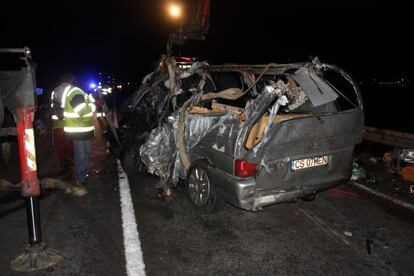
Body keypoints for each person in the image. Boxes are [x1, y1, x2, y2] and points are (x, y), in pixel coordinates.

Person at [53, 76, 96, 196]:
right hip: (78, 129)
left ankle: (84, 173)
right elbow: (81, 110)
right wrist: (92, 106)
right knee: (81, 153)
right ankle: (82, 176)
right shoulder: (76, 92)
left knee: (86, 152)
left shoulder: (75, 92)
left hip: (82, 128)